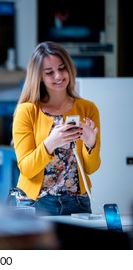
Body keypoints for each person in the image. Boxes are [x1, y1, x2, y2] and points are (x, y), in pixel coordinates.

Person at [11, 41, 101, 216]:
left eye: (62, 68)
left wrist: (91, 145)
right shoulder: (27, 111)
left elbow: (91, 168)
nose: (58, 76)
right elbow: (27, 169)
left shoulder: (88, 109)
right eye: (49, 72)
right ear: (39, 77)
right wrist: (50, 144)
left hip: (78, 203)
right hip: (36, 203)